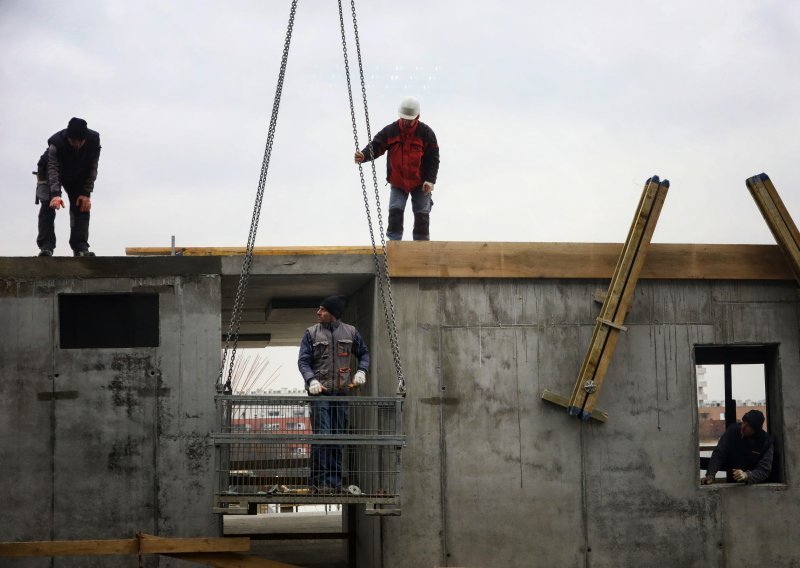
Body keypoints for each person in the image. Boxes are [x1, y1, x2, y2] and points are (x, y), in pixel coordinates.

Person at [297, 295, 369, 493]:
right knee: (323, 436)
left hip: (341, 394)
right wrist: (311, 380)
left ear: (334, 314)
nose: (318, 313)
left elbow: (363, 353)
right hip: (320, 394)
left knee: (338, 438)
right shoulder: (311, 333)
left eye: (323, 310)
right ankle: (318, 483)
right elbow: (303, 361)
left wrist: (362, 371)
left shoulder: (351, 332)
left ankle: (334, 483)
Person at [354, 96, 439, 241]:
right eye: (404, 118)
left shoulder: (426, 134)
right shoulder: (391, 131)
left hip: (420, 183)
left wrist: (430, 181)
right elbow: (376, 145)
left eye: (409, 119)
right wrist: (364, 155)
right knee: (395, 212)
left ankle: (421, 245)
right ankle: (394, 243)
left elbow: (433, 159)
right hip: (398, 182)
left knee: (422, 215)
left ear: (417, 117)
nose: (406, 122)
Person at [35, 117, 101, 257]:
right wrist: (55, 194)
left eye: (81, 141)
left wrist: (86, 193)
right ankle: (46, 246)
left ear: (85, 139)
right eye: (73, 141)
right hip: (48, 171)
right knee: (48, 205)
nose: (77, 145)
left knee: (82, 205)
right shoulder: (56, 143)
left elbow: (92, 168)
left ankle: (80, 247)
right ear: (68, 138)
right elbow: (53, 169)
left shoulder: (94, 141)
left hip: (76, 174)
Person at [701, 409, 774, 485]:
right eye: (743, 422)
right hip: (731, 485)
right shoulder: (733, 431)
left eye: (748, 425)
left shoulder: (766, 442)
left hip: (757, 487)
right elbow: (719, 453)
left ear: (756, 430)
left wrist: (747, 475)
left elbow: (764, 470)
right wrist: (710, 474)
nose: (743, 427)